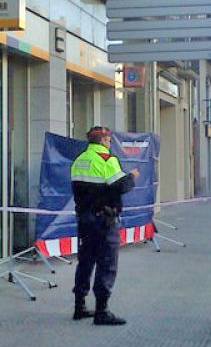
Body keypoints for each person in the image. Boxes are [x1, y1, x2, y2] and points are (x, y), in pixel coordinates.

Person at [70, 126, 140, 326]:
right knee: (107, 264)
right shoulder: (107, 160)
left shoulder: (79, 161)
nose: (110, 144)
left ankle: (79, 306)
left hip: (84, 219)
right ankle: (102, 311)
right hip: (104, 220)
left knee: (85, 262)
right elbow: (120, 187)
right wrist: (132, 177)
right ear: (102, 141)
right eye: (109, 141)